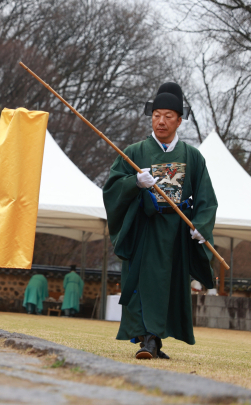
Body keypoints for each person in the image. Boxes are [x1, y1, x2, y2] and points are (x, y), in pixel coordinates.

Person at [103, 82, 217, 360]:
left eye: (168, 116)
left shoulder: (192, 157)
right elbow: (111, 188)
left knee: (170, 285)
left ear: (179, 120)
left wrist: (201, 227)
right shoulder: (134, 152)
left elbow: (206, 198)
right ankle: (148, 340)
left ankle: (155, 339)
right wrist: (134, 182)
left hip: (176, 233)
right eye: (156, 115)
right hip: (145, 230)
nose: (161, 121)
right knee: (143, 282)